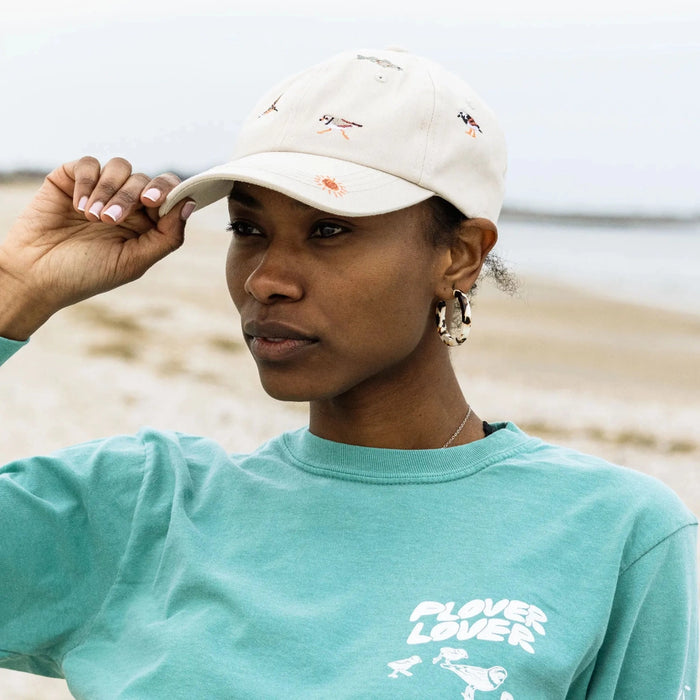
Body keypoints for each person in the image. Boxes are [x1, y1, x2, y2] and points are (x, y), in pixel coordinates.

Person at [0, 48, 696, 699]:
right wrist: (16, 292)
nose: (266, 279)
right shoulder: (144, 509)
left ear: (459, 255)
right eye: (248, 230)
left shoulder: (611, 534)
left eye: (329, 229)